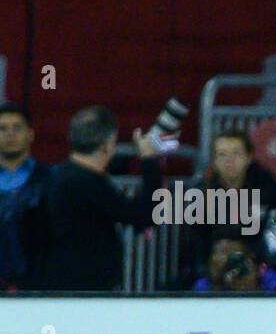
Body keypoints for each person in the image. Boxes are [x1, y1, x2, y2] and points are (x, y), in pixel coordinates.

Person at [31, 106, 161, 292]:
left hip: (63, 286)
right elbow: (145, 215)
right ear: (106, 146)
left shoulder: (59, 177)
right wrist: (148, 160)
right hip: (84, 291)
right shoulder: (88, 183)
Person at [183, 130, 276, 285]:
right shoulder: (203, 195)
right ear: (214, 161)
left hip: (261, 267)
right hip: (215, 269)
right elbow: (198, 244)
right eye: (222, 155)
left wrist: (254, 261)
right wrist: (208, 269)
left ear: (249, 158)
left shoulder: (269, 191)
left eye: (236, 153)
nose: (229, 160)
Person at [0, 103, 48, 289]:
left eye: (17, 128)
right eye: (3, 128)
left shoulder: (49, 179)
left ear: (31, 134)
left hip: (38, 283)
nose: (10, 134)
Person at [195, 237, 276, 292]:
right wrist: (219, 284)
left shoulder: (272, 281)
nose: (227, 261)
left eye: (233, 255)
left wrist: (251, 286)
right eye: (221, 253)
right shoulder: (203, 285)